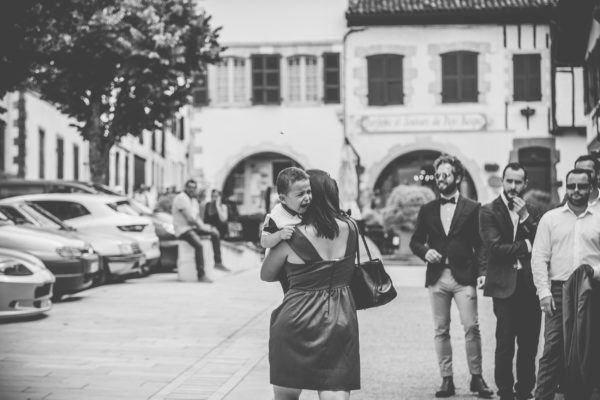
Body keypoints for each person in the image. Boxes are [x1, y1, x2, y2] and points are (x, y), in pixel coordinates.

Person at [261, 169, 359, 400]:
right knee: (334, 390)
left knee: (287, 395)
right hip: (340, 317)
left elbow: (266, 274)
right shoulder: (351, 228)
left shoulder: (292, 236)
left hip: (296, 317)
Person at [409, 155, 492, 398]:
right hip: (437, 278)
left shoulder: (472, 207)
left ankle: (477, 378)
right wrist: (426, 252)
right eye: (438, 175)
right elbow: (415, 241)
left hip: (464, 277)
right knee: (440, 329)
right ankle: (447, 380)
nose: (440, 179)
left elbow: (481, 244)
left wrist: (482, 272)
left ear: (457, 177)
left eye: (445, 175)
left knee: (471, 327)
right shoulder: (427, 210)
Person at [531, 168, 600, 400]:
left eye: (581, 186)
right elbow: (539, 256)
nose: (576, 191)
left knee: (589, 349)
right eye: (571, 186)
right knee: (552, 350)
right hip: (558, 292)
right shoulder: (550, 219)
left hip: (593, 290)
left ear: (590, 187)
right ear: (566, 187)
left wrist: (594, 271)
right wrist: (544, 292)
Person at [479, 163, 541, 400]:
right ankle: (505, 391)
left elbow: (543, 244)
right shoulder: (488, 211)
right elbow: (495, 249)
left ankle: (525, 390)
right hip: (504, 287)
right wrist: (526, 246)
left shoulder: (534, 211)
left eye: (518, 182)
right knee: (505, 343)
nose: (513, 186)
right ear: (502, 181)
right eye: (509, 181)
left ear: (525, 184)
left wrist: (525, 217)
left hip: (530, 286)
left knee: (529, 344)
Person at [261, 167, 312, 292]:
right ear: (283, 199)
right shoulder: (275, 217)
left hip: (302, 264)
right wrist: (279, 235)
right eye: (300, 194)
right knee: (291, 293)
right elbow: (264, 241)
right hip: (283, 268)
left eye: (309, 192)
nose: (307, 198)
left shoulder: (305, 210)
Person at [172, 179, 229, 283]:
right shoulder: (181, 198)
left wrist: (204, 226)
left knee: (214, 232)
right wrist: (202, 227)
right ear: (185, 187)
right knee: (199, 245)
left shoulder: (193, 201)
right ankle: (201, 275)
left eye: (194, 188)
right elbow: (189, 219)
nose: (191, 189)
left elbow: (197, 217)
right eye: (189, 187)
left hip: (192, 228)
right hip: (183, 230)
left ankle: (218, 262)